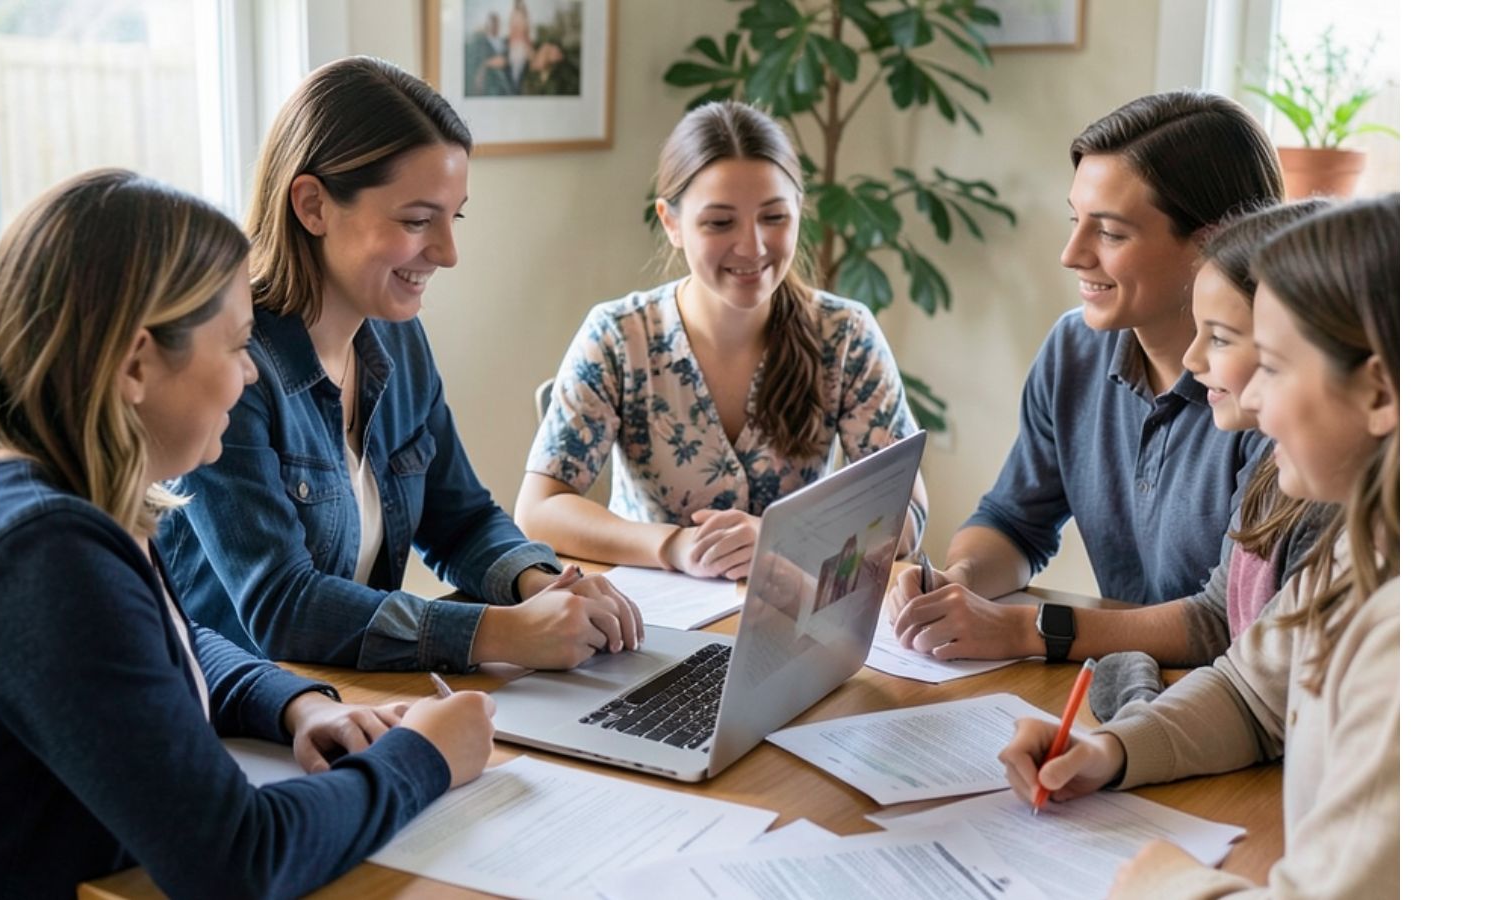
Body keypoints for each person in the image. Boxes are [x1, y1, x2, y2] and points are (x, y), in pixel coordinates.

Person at [0, 169, 496, 898]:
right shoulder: (49, 554)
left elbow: (164, 646)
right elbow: (240, 861)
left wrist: (296, 705)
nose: (252, 377)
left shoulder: (60, 505)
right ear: (136, 364)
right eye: (235, 347)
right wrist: (424, 757)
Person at [158, 56, 641, 673]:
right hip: (252, 707)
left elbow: (461, 519)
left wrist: (543, 585)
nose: (448, 252)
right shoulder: (232, 371)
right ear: (312, 205)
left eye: (452, 217)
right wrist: (501, 633)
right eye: (417, 221)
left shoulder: (398, 339)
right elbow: (282, 607)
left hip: (359, 696)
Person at [998, 195, 1400, 897]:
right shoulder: (1360, 543)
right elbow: (1250, 694)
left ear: (1377, 394)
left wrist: (1172, 885)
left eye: (1274, 367)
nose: (1257, 404)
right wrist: (1111, 750)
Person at [888, 91, 1281, 662]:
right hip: (1121, 684)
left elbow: (1227, 619)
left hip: (1225, 696)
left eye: (1111, 233)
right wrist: (958, 582)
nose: (1071, 254)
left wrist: (1024, 629)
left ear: (1212, 244)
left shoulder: (1275, 391)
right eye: (1076, 221)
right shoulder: (1074, 349)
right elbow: (1013, 522)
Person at [514, 100, 929, 580]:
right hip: (649, 612)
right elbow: (538, 511)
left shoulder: (846, 335)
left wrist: (788, 539)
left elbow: (907, 514)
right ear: (671, 223)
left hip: (793, 613)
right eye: (719, 222)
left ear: (799, 210)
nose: (752, 246)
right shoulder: (617, 337)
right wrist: (673, 545)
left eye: (774, 217)